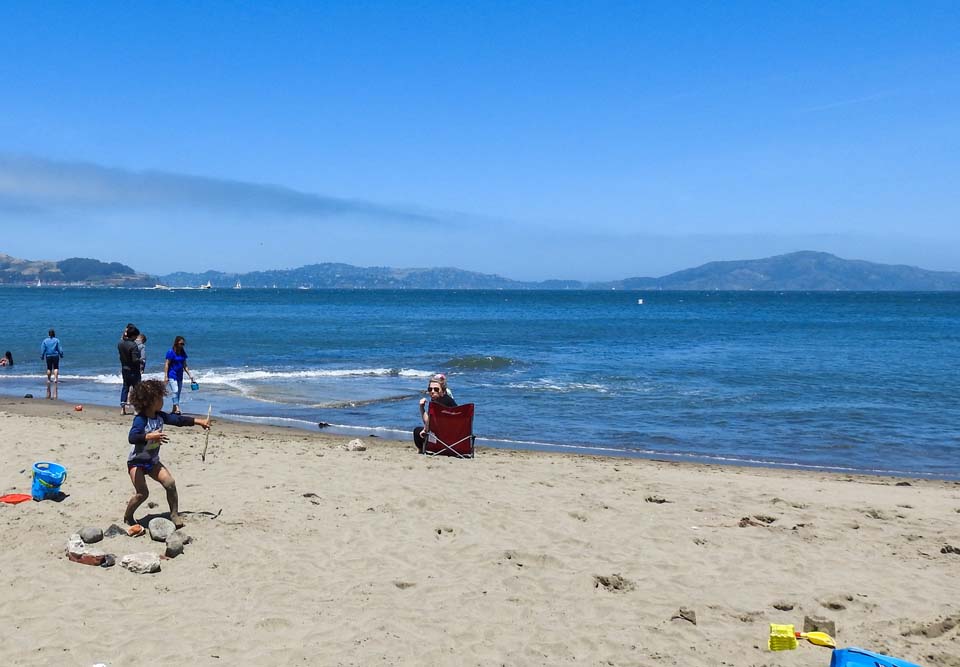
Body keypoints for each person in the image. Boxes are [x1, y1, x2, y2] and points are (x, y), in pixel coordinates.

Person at [124, 379, 210, 528]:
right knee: (142, 493)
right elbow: (132, 437)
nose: (163, 400)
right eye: (160, 397)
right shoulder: (140, 420)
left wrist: (199, 421)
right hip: (136, 463)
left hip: (152, 461)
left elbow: (178, 420)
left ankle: (174, 514)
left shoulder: (160, 416)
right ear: (150, 401)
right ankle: (128, 516)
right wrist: (149, 436)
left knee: (170, 484)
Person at [414, 375, 457, 452]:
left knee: (417, 431)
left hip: (442, 440)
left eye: (436, 389)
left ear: (443, 390)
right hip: (456, 441)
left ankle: (422, 450)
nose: (432, 391)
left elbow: (428, 426)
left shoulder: (437, 405)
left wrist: (422, 408)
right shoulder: (450, 401)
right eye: (430, 389)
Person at [163, 335, 195, 414]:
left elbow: (185, 365)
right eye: (181, 344)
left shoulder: (182, 352)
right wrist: (166, 376)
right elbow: (167, 364)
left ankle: (174, 409)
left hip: (179, 375)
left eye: (183, 344)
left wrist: (190, 375)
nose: (182, 345)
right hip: (172, 374)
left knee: (178, 392)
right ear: (176, 343)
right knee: (175, 390)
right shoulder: (171, 352)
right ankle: (177, 408)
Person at [118, 324, 142, 415]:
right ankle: (136, 409)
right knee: (136, 389)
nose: (136, 338)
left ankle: (123, 409)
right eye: (136, 336)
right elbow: (135, 359)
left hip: (124, 368)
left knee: (125, 387)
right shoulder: (133, 345)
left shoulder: (120, 343)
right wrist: (141, 361)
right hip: (133, 369)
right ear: (133, 336)